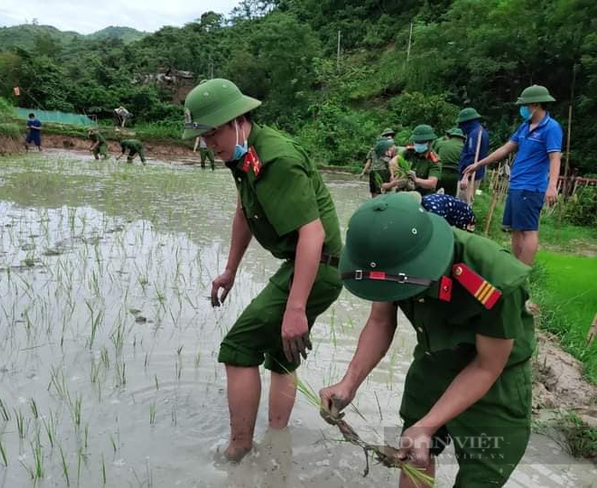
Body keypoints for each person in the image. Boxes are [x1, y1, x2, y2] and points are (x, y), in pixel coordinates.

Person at [320, 193, 535, 488]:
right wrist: (349, 383)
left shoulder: (493, 277)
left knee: (481, 474)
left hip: (494, 382)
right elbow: (381, 320)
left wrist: (428, 424)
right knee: (415, 453)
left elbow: (487, 366)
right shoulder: (389, 257)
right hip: (434, 361)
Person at [182, 78, 342, 462]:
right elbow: (244, 211)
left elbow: (312, 233)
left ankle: (238, 449)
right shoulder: (241, 154)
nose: (209, 144)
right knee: (282, 353)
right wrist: (230, 271)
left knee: (239, 348)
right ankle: (277, 440)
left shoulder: (277, 159)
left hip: (317, 264)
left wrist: (295, 307)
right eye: (202, 137)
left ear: (237, 119)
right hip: (307, 264)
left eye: (213, 133)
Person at [463, 85, 562, 265]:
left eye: (525, 105)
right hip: (516, 184)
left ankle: (522, 275)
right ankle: (515, 267)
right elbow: (506, 148)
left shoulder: (551, 128)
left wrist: (552, 185)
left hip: (532, 187)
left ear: (536, 104)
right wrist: (479, 164)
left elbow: (555, 158)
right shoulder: (525, 126)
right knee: (516, 229)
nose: (522, 109)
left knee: (529, 230)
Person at [457, 108, 489, 203]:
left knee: (462, 203)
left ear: (467, 122)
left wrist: (466, 176)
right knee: (468, 202)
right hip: (476, 173)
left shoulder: (474, 134)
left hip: (470, 176)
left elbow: (472, 156)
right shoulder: (482, 131)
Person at [401, 125, 442, 196]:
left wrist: (416, 179)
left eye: (421, 142)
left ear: (430, 143)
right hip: (406, 192)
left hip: (424, 194)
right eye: (416, 142)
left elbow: (432, 183)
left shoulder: (434, 160)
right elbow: (395, 161)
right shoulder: (408, 152)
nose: (418, 144)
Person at [432, 128, 465, 196]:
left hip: (440, 174)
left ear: (451, 136)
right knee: (450, 197)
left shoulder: (441, 144)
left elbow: (433, 157)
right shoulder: (464, 148)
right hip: (455, 176)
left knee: (433, 195)